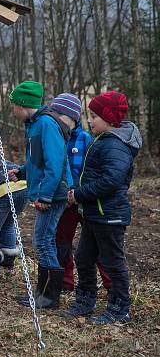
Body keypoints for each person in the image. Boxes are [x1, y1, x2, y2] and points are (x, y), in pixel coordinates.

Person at [64, 91, 141, 324]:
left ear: (109, 118)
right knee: (84, 257)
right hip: (95, 213)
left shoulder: (115, 145)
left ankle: (120, 308)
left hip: (110, 216)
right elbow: (93, 175)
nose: (90, 120)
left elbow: (111, 180)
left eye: (95, 116)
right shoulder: (103, 140)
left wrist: (79, 195)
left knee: (113, 263)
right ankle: (85, 300)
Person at [8, 81, 77, 310]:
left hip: (54, 194)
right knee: (42, 240)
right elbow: (38, 160)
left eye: (13, 105)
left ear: (23, 104)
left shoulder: (46, 124)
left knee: (44, 241)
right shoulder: (34, 123)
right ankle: (40, 293)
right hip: (47, 190)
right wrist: (23, 171)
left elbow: (55, 164)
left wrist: (46, 196)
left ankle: (49, 297)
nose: (12, 109)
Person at [50, 94, 110, 292]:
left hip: (83, 200)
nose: (56, 119)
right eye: (54, 114)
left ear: (73, 117)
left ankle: (111, 284)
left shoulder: (86, 139)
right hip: (63, 201)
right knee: (61, 241)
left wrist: (77, 191)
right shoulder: (54, 137)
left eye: (60, 115)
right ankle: (65, 283)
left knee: (97, 243)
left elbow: (90, 170)